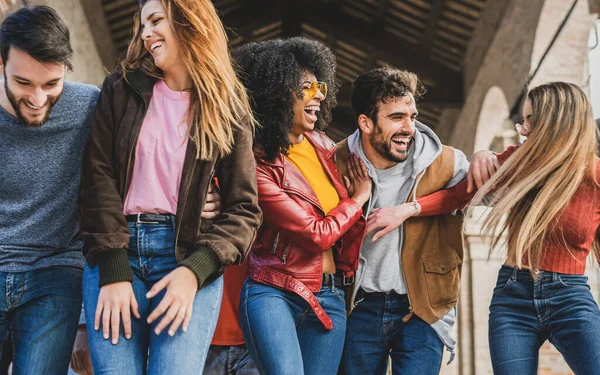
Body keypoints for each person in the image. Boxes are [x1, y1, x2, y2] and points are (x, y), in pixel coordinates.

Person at [79, 0, 261, 373]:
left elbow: (244, 210)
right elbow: (97, 177)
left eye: (156, 21)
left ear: (189, 20)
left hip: (186, 258)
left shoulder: (228, 105)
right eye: (142, 25)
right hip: (117, 252)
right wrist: (113, 270)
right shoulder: (121, 88)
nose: (146, 34)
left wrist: (194, 272)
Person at [393, 82, 600, 374]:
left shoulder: (596, 178)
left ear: (555, 122)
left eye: (530, 120)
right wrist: (407, 209)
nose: (523, 129)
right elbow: (459, 194)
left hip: (571, 298)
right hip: (513, 297)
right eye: (523, 120)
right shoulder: (518, 161)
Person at [336, 67, 497, 374]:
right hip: (357, 308)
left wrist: (487, 155)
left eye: (412, 116)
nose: (409, 127)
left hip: (423, 307)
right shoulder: (336, 162)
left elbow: (493, 193)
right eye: (397, 117)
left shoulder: (445, 162)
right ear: (366, 123)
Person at [234, 37, 371, 375]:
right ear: (277, 95)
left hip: (331, 296)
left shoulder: (324, 146)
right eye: (306, 88)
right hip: (274, 291)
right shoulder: (258, 165)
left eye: (319, 85)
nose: (320, 95)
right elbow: (316, 235)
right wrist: (356, 200)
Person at [0, 6, 100, 374]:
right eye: (24, 83)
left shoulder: (89, 105)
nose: (38, 99)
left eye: (51, 84)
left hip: (55, 272)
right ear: (1, 65)